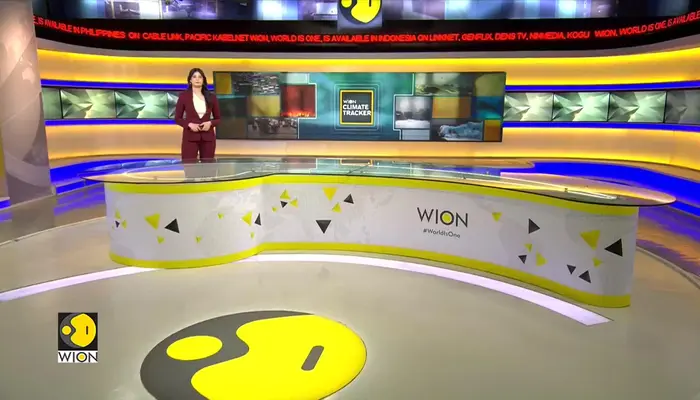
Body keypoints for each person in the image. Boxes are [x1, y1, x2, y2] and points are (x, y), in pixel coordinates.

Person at [175, 68, 220, 162]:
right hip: (190, 137)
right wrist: (189, 125)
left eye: (200, 77)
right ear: (190, 80)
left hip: (208, 138)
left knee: (208, 167)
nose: (197, 79)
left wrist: (210, 123)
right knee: (189, 165)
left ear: (203, 80)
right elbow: (177, 118)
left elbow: (218, 119)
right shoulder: (184, 96)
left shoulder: (211, 97)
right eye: (194, 77)